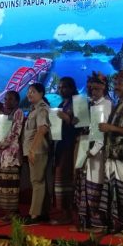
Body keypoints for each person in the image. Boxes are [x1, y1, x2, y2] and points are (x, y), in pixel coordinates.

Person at [98, 70, 123, 234]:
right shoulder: (119, 104)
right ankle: (117, 225)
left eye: (120, 84)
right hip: (113, 154)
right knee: (113, 191)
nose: (116, 87)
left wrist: (110, 128)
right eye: (115, 84)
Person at [76, 72, 112, 232]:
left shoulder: (106, 105)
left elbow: (102, 132)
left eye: (97, 89)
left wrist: (93, 150)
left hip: (98, 153)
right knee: (87, 183)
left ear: (104, 89)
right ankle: (88, 221)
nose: (93, 91)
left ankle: (99, 224)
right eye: (91, 88)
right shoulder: (92, 104)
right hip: (87, 149)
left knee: (96, 184)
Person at [50, 77, 78, 225]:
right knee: (60, 179)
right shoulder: (62, 104)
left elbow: (80, 124)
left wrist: (66, 118)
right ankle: (63, 212)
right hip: (60, 144)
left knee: (67, 178)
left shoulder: (77, 103)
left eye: (64, 87)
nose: (61, 90)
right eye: (60, 87)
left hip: (71, 144)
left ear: (72, 88)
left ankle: (69, 214)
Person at [22, 83, 51, 225]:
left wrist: (32, 149)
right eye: (28, 91)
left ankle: (34, 215)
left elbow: (42, 129)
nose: (29, 94)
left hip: (37, 150)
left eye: (33, 91)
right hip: (35, 150)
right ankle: (43, 212)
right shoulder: (34, 109)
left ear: (41, 94)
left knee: (37, 181)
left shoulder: (41, 108)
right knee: (39, 181)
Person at [0, 90, 24, 222]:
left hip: (12, 154)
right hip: (3, 154)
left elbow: (15, 133)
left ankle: (12, 212)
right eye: (6, 99)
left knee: (10, 184)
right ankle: (9, 212)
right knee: (4, 183)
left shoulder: (18, 112)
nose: (7, 101)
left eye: (11, 99)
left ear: (17, 101)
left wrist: (0, 144)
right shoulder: (5, 114)